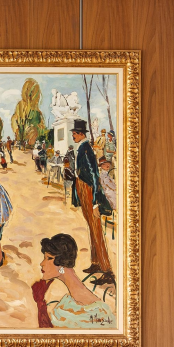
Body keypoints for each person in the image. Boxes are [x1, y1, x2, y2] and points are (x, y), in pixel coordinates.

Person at [33, 233, 116, 329]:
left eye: (49, 258)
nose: (42, 263)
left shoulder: (98, 312)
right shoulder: (64, 304)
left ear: (62, 263)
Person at [70, 119, 113, 281]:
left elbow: (94, 176)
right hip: (83, 188)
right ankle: (96, 262)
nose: (73, 136)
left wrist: (95, 202)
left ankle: (107, 270)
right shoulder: (82, 147)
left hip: (89, 190)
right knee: (91, 226)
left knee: (96, 228)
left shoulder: (86, 148)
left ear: (81, 134)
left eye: (75, 134)